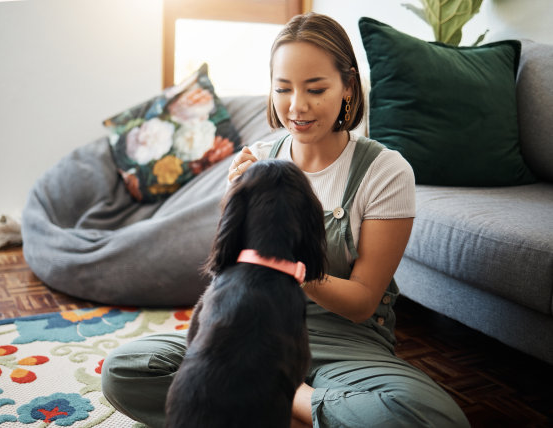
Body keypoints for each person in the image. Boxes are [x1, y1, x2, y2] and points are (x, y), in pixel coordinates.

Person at [101, 12, 470, 428]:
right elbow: (228, 272)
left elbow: (364, 301)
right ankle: (305, 413)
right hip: (249, 333)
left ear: (348, 86)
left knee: (432, 419)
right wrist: (232, 200)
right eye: (283, 88)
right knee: (126, 367)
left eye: (316, 89)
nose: (297, 106)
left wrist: (287, 273)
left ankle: (284, 399)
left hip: (345, 344)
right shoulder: (258, 160)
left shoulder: (385, 171)